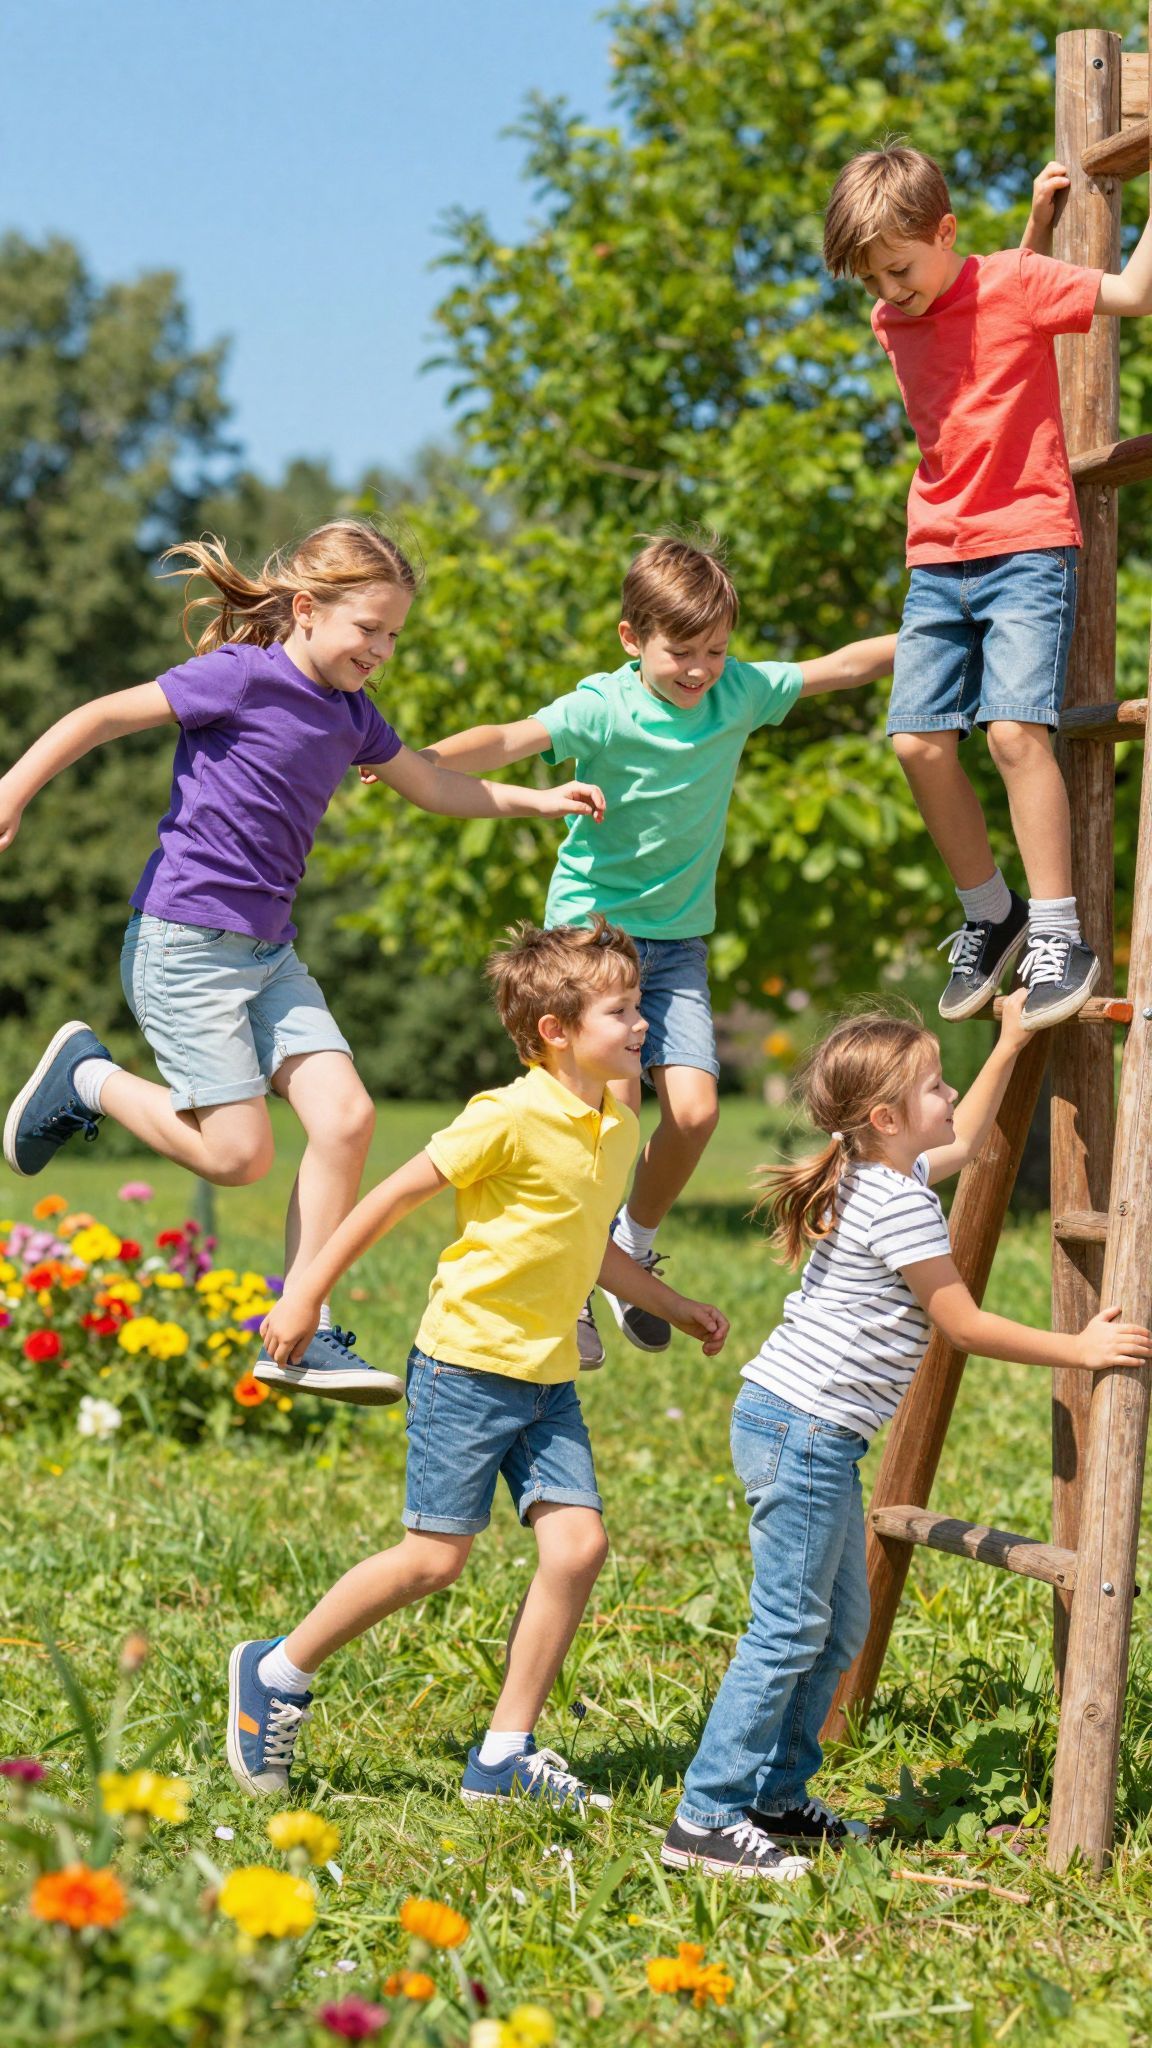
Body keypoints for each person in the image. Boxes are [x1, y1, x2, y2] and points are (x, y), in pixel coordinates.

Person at [0, 520, 605, 1404]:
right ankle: (88, 1079)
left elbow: (436, 785)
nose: (383, 650)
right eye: (370, 629)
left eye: (396, 633)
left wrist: (536, 799)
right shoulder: (239, 678)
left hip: (268, 954)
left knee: (348, 1118)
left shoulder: (353, 716)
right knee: (239, 1157)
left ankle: (302, 1330)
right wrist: (13, 788)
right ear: (308, 609)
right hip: (184, 944)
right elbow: (100, 716)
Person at [227, 918, 729, 1809]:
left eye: (640, 1003)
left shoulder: (616, 1119)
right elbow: (387, 1198)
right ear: (556, 1032)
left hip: (547, 1378)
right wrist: (304, 1292)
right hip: (466, 1369)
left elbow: (588, 1246)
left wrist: (669, 1303)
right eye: (621, 1010)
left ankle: (504, 1753)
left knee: (577, 1549)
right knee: (432, 1560)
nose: (644, 1023)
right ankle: (277, 1668)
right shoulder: (508, 1116)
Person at [661, 990, 1152, 1879]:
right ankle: (706, 1813)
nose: (949, 1093)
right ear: (887, 1118)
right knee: (790, 1627)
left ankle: (777, 1794)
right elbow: (961, 1324)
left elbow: (960, 1141)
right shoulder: (897, 1204)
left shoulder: (885, 1173)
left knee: (839, 1622)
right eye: (934, 1085)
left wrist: (1006, 1046)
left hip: (810, 1432)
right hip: (800, 1431)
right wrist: (1077, 1347)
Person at [397, 533, 896, 1366]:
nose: (700, 669)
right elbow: (510, 738)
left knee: (696, 1113)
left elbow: (841, 666)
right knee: (616, 1119)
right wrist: (414, 761)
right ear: (633, 639)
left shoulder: (737, 691)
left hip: (679, 945)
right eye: (681, 653)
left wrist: (944, 628)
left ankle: (633, 1240)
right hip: (595, 941)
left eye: (716, 650)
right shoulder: (602, 706)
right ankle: (576, 1290)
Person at [823, 145, 1152, 1028]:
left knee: (1013, 730)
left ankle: (1058, 933)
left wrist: (1037, 242)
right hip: (936, 554)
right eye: (871, 278)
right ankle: (991, 910)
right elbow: (979, 306)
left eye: (897, 268)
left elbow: (1124, 295)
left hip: (1026, 544)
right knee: (917, 744)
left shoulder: (1008, 278)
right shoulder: (897, 318)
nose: (889, 291)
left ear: (943, 232)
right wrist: (1035, 232)